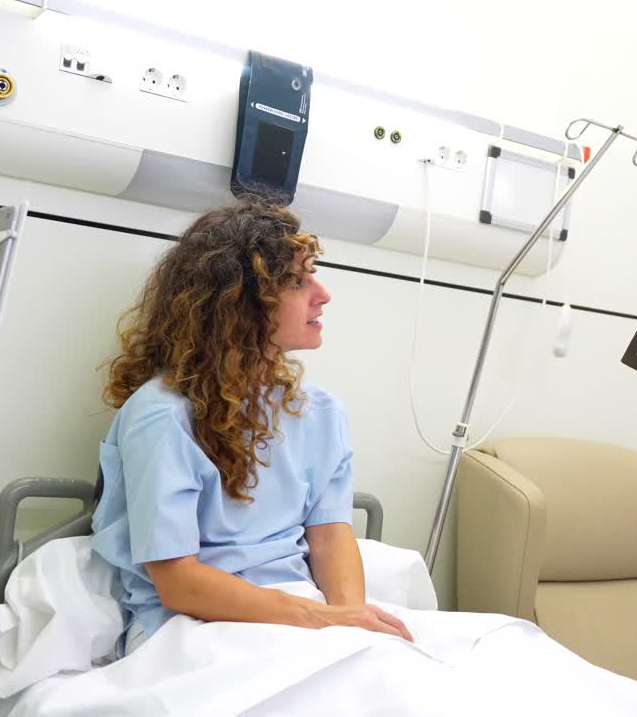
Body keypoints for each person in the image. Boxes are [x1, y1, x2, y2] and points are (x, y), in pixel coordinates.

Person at [90, 194, 414, 655]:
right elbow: (179, 584)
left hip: (302, 616)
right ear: (242, 302)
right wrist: (324, 620)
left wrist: (351, 628)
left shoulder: (319, 413)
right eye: (300, 282)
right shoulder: (162, 416)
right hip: (193, 627)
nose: (324, 295)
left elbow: (329, 537)